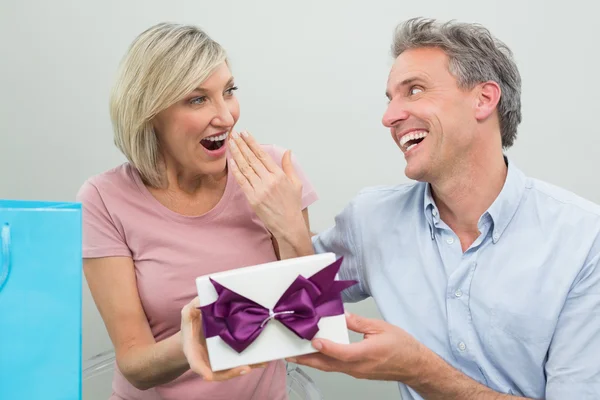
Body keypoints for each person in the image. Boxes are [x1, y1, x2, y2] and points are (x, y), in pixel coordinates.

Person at [228, 17, 600, 400]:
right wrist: (288, 226)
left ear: (484, 99)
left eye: (415, 90)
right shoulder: (371, 219)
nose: (389, 117)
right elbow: (288, 316)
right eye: (390, 99)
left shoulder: (585, 240)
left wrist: (419, 370)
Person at [77, 22, 317, 400]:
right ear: (149, 112)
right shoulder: (103, 198)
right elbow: (134, 364)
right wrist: (200, 337)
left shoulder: (270, 173)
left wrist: (290, 226)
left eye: (229, 92)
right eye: (197, 99)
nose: (226, 116)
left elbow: (309, 325)